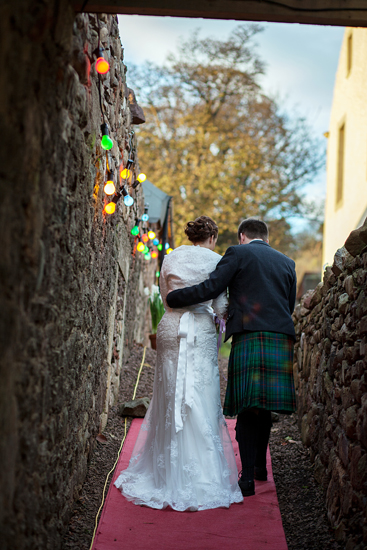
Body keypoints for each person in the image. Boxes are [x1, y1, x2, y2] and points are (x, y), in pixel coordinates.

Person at [114, 216, 243, 511]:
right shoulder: (217, 260)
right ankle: (201, 473)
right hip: (199, 328)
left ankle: (163, 472)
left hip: (172, 327)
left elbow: (165, 295)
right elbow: (221, 306)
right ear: (212, 237)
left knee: (170, 393)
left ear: (190, 235)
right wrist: (220, 316)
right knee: (201, 393)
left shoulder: (171, 256)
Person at [167, 218, 297, 497]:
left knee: (249, 406)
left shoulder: (237, 253)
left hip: (250, 334)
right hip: (280, 337)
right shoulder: (287, 262)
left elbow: (212, 287)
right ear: (266, 237)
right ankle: (261, 468)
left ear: (242, 236)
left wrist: (176, 298)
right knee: (264, 406)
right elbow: (290, 304)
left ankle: (247, 478)